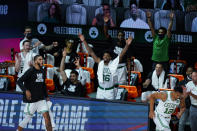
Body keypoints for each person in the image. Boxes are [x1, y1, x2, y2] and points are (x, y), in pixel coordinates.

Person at [78, 33, 132, 100]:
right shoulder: (100, 62)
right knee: (99, 108)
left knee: (109, 109)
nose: (105, 57)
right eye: (104, 55)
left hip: (110, 91)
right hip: (100, 91)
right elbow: (91, 52)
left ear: (110, 58)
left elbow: (121, 54)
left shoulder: (113, 64)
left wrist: (127, 45)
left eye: (107, 56)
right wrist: (84, 41)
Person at [17, 55, 52, 131]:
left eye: (42, 59)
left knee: (47, 117)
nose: (42, 61)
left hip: (41, 99)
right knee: (27, 118)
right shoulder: (30, 71)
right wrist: (25, 90)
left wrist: (46, 96)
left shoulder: (42, 70)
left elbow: (43, 85)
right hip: (32, 100)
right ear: (35, 61)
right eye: (40, 59)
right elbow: (19, 81)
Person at [178, 67, 193, 131]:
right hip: (185, 106)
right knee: (181, 123)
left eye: (192, 71)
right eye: (189, 71)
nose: (191, 73)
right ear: (186, 72)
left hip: (194, 106)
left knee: (194, 124)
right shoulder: (181, 82)